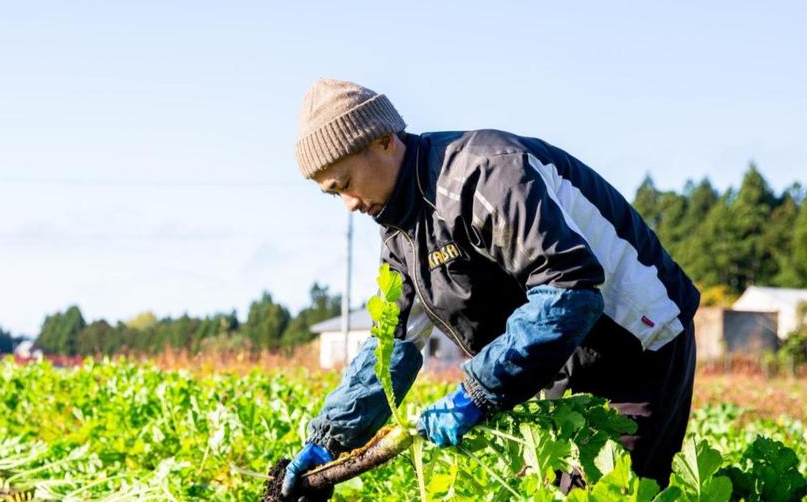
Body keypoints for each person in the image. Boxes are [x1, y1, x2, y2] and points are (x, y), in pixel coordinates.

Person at [281, 78, 699, 497]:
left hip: (636, 344)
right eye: (332, 194)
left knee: (612, 493)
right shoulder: (399, 232)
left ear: (385, 141)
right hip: (556, 359)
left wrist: (478, 390)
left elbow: (569, 288)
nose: (350, 204)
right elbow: (391, 344)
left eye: (345, 182)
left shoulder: (486, 175)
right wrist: (330, 440)